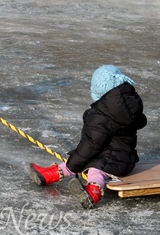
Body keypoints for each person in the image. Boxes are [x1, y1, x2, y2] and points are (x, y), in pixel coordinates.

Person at [29, 65, 147, 209]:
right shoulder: (129, 109)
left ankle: (94, 191)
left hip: (111, 161)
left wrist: (73, 164)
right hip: (126, 159)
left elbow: (91, 144)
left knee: (94, 167)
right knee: (87, 159)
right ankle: (51, 174)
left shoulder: (101, 116)